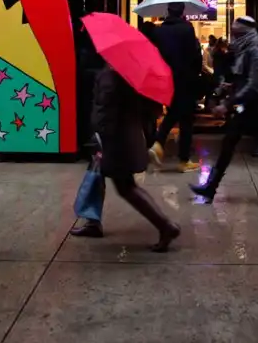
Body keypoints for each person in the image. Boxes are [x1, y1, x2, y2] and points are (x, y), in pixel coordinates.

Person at [70, 61, 181, 252]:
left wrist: (97, 135)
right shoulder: (132, 73)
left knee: (126, 187)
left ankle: (165, 226)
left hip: (115, 141)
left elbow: (104, 112)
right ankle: (92, 222)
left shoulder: (111, 76)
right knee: (100, 177)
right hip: (129, 136)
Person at [190, 17, 258, 205]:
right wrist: (229, 87)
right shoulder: (244, 51)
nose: (234, 38)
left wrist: (227, 103)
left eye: (237, 34)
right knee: (229, 143)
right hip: (248, 107)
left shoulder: (254, 52)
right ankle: (211, 187)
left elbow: (253, 85)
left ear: (246, 34)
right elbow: (243, 80)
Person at [149, 2, 202, 172]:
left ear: (168, 11)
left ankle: (158, 143)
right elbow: (194, 55)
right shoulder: (187, 29)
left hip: (166, 78)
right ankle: (183, 159)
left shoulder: (159, 31)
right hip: (185, 78)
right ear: (182, 11)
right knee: (186, 119)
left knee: (173, 113)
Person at [138, 21, 162, 149]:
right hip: (152, 88)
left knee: (143, 118)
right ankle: (150, 143)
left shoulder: (137, 48)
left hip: (140, 88)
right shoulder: (157, 49)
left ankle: (144, 143)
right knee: (150, 118)